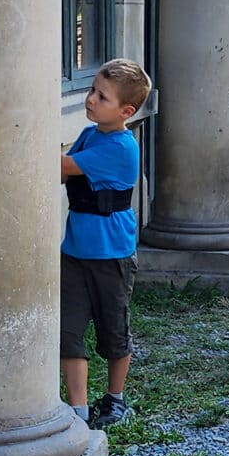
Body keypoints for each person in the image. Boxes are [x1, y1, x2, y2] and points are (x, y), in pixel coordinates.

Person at [58, 58, 151, 429]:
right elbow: (65, 173)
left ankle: (115, 398)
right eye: (92, 90)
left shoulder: (121, 148)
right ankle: (79, 410)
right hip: (74, 252)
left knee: (113, 330)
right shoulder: (89, 134)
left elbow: (63, 168)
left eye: (102, 96)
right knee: (68, 331)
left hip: (111, 256)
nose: (90, 99)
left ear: (126, 111)